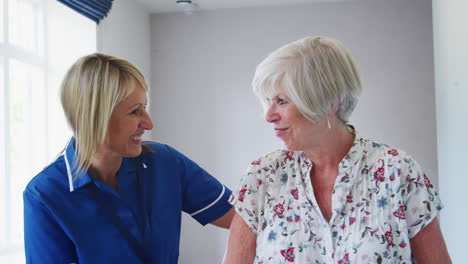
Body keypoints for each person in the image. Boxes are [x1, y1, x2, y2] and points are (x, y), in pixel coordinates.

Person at [224, 36, 451, 263]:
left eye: (282, 101)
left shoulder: (398, 172)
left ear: (327, 101)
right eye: (267, 101)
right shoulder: (262, 177)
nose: (269, 116)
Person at [23, 53, 233, 263]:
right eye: (135, 112)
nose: (149, 123)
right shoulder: (44, 196)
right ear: (95, 119)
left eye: (145, 108)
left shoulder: (165, 163)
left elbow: (245, 218)